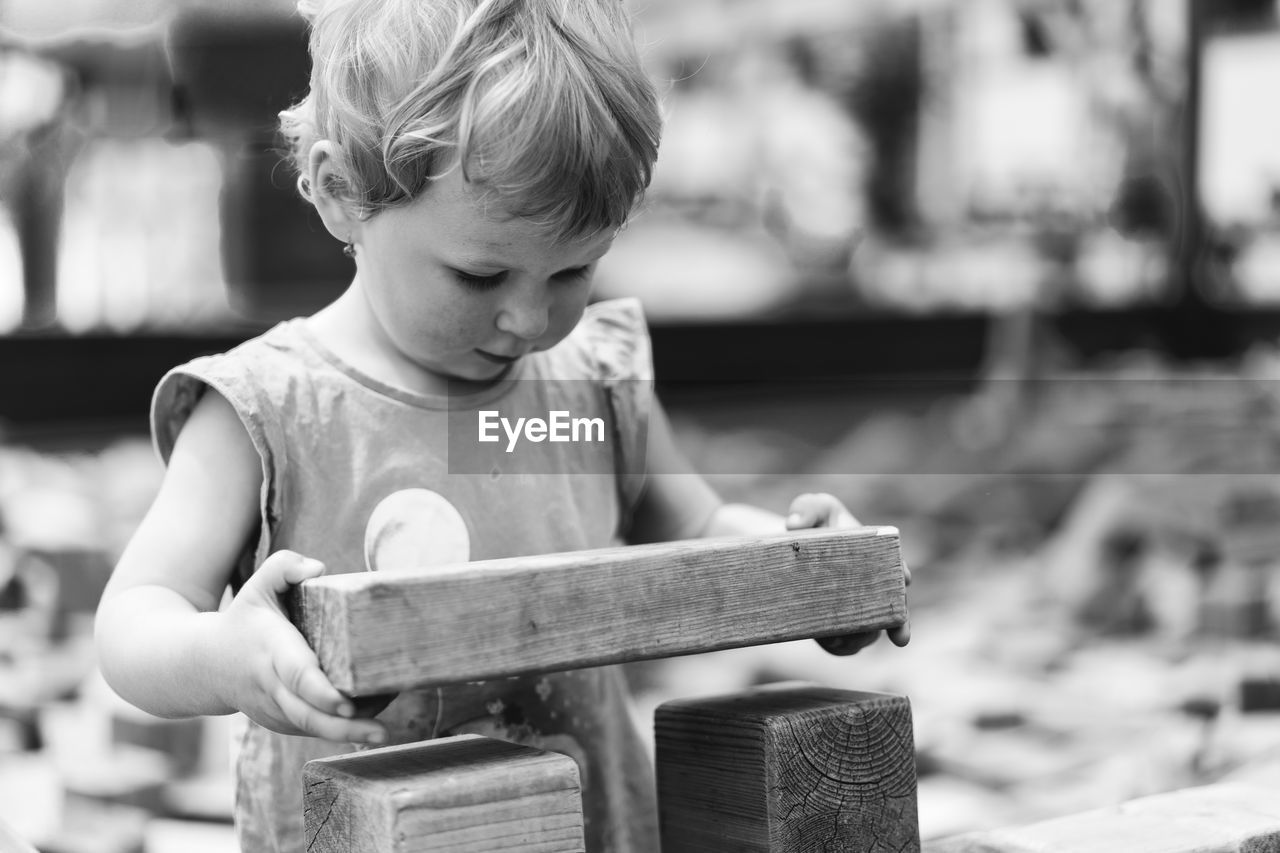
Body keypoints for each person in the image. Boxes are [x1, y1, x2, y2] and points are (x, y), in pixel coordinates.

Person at [94, 1, 910, 850]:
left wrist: (804, 562)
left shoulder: (593, 382)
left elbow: (700, 527)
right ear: (342, 193)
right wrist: (227, 654)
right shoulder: (266, 409)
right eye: (480, 275)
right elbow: (135, 618)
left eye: (573, 270)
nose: (527, 317)